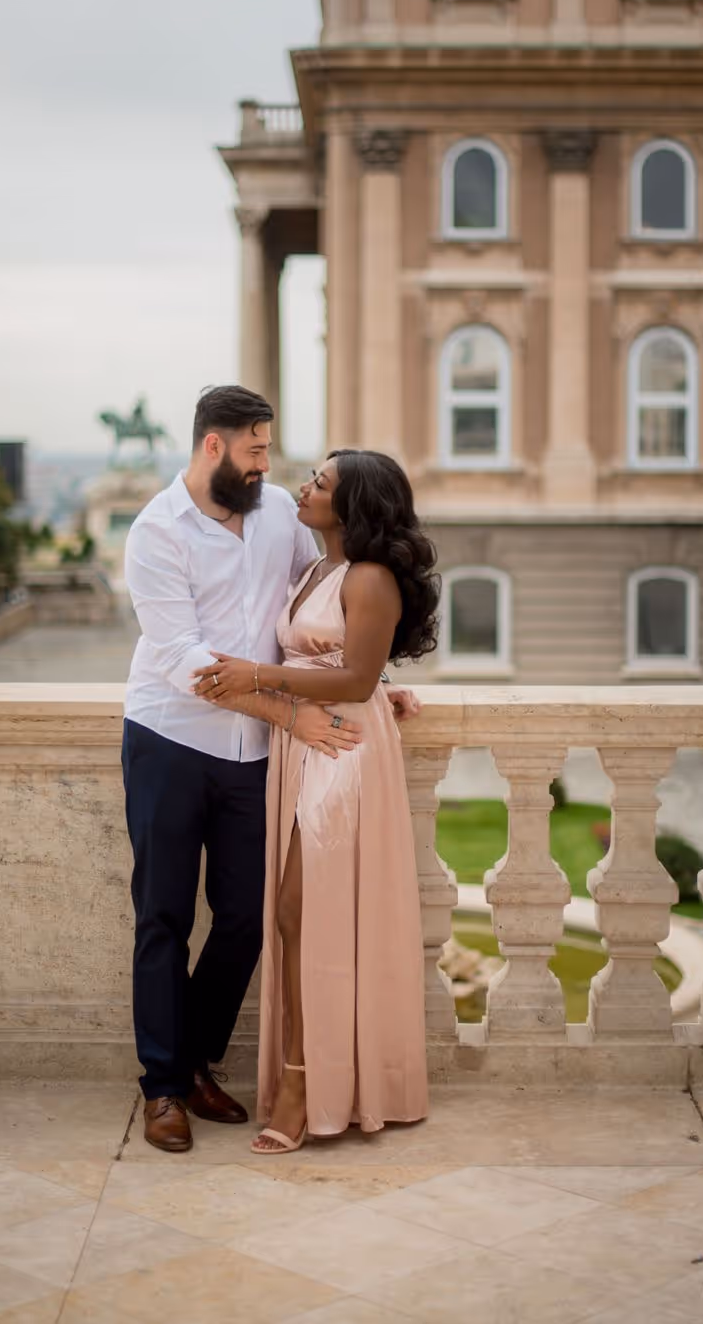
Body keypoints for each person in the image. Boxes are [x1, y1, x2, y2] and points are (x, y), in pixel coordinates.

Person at [122, 386, 416, 1154]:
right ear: (213, 446)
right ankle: (163, 1088)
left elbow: (323, 610)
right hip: (172, 739)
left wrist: (373, 680)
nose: (266, 465)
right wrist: (291, 713)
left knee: (247, 919)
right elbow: (191, 667)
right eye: (254, 450)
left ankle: (194, 1064)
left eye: (269, 451)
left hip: (256, 757)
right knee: (162, 917)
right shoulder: (156, 533)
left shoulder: (283, 510)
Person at [194, 448, 439, 1152]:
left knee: (308, 913)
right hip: (302, 743)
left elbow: (356, 679)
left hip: (343, 751)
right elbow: (340, 663)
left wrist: (258, 675)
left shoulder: (370, 576)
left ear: (352, 504)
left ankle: (307, 1087)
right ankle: (314, 1076)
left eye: (320, 484)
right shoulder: (315, 569)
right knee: (298, 918)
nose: (304, 487)